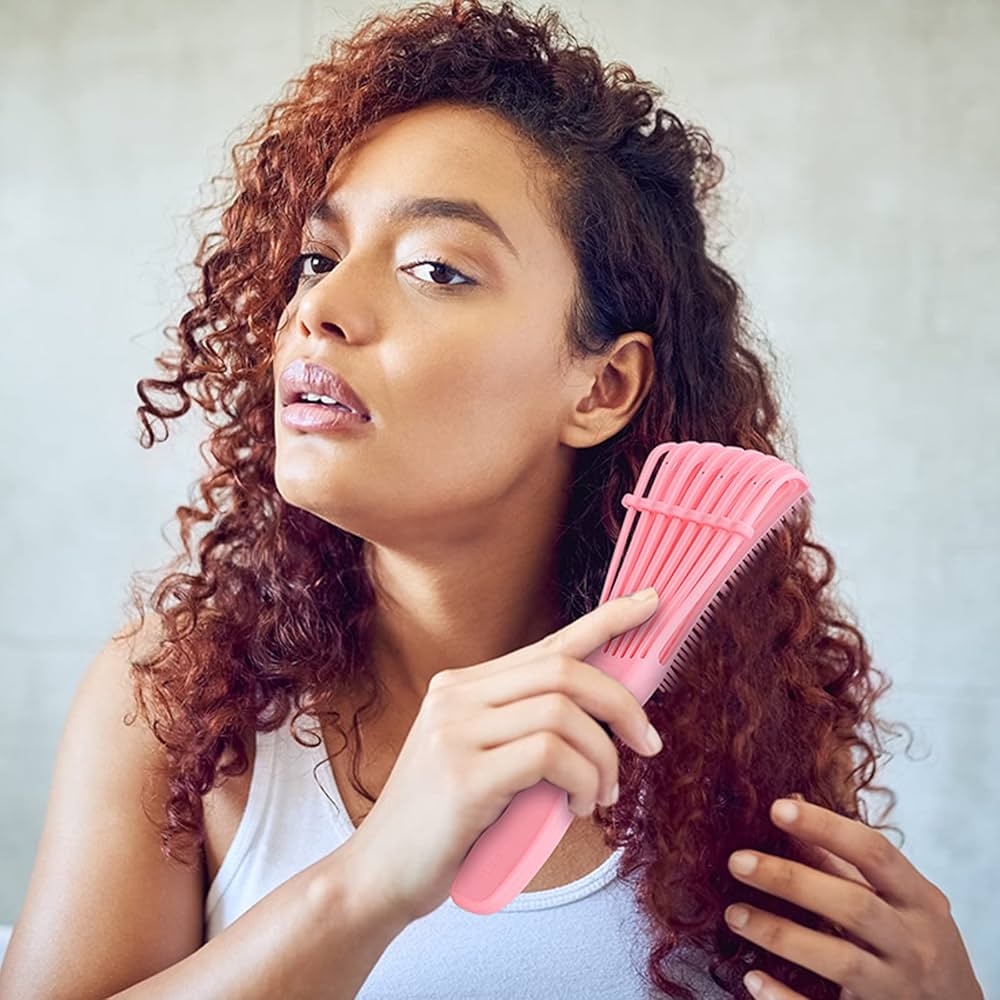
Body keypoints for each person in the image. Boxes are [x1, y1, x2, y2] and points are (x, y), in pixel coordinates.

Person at [0, 1, 985, 998]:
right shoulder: (176, 705)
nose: (318, 312)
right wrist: (368, 881)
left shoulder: (739, 734)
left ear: (600, 387)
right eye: (318, 258)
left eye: (436, 267)